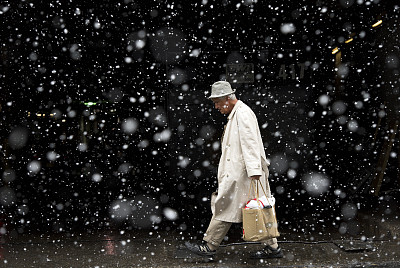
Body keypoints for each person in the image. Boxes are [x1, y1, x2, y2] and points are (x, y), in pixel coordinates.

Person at [184, 81, 283, 259]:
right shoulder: (238, 113)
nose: (215, 107)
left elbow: (250, 143)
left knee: (225, 209)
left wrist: (254, 171)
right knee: (258, 209)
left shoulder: (242, 114)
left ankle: (210, 247)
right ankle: (273, 248)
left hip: (244, 175)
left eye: (217, 102)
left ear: (228, 99)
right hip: (243, 174)